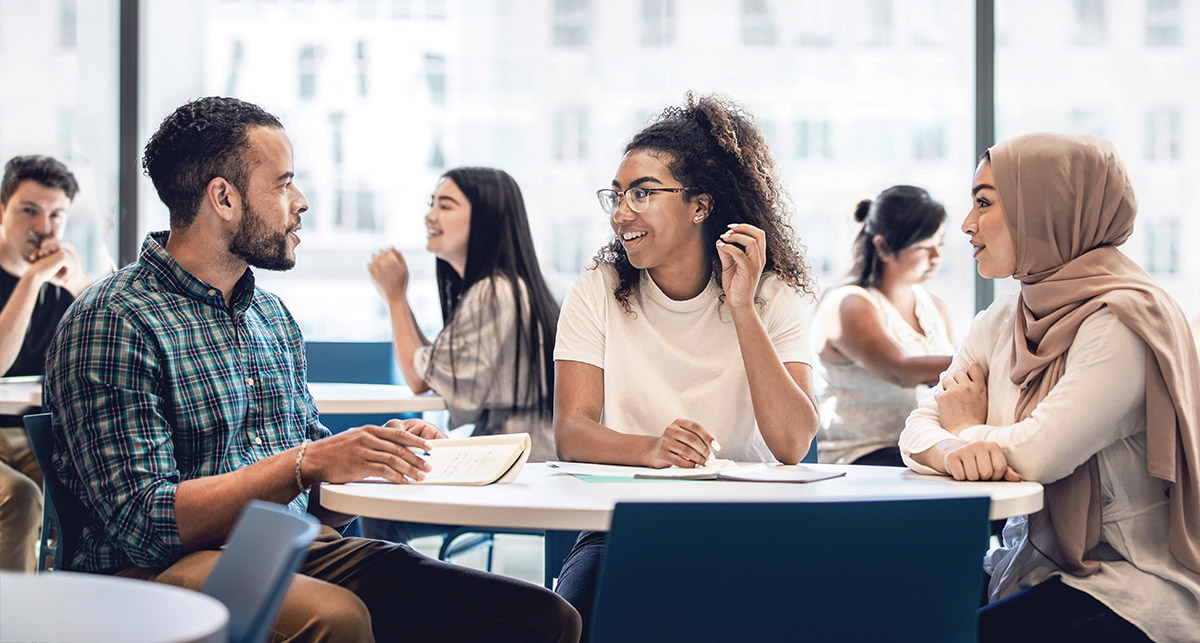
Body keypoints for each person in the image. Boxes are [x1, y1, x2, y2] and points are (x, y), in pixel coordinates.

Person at [44, 97, 580, 643]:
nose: (301, 202)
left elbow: (314, 498)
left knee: (543, 618)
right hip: (154, 575)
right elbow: (146, 523)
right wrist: (306, 463)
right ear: (223, 198)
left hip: (293, 547)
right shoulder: (116, 318)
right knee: (338, 618)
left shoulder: (271, 318)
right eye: (283, 184)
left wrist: (373, 456)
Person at [898, 133, 1200, 642]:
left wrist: (965, 428)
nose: (968, 224)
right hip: (1034, 567)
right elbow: (917, 427)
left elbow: (1041, 453)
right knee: (899, 615)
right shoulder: (1003, 317)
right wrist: (950, 448)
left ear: (1047, 208)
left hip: (1133, 586)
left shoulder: (1123, 321)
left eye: (985, 203)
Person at [552, 93, 820, 639]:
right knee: (566, 621)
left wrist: (742, 307)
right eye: (617, 195)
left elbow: (792, 442)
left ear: (700, 205)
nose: (621, 212)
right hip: (621, 525)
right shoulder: (597, 292)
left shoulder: (772, 295)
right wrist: (652, 449)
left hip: (747, 526)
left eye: (643, 193)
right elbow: (571, 431)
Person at [362, 166, 560, 543]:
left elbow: (419, 378)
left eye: (445, 205)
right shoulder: (501, 289)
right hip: (518, 455)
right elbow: (431, 365)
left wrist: (395, 295)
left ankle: (403, 602)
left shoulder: (494, 293)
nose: (430, 216)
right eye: (431, 204)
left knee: (379, 508)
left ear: (484, 218)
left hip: (520, 464)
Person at [810, 186, 955, 466]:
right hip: (862, 457)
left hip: (918, 447)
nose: (937, 256)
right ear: (884, 246)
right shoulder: (849, 304)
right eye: (924, 246)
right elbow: (901, 370)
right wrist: (985, 360)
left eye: (941, 243)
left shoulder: (934, 307)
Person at [0, 154, 89, 571]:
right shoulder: (37, 278)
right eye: (29, 211)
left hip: (41, 435)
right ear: (2, 209)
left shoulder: (65, 280)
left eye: (57, 214)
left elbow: (110, 350)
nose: (44, 228)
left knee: (95, 490)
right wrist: (31, 280)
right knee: (19, 498)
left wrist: (78, 286)